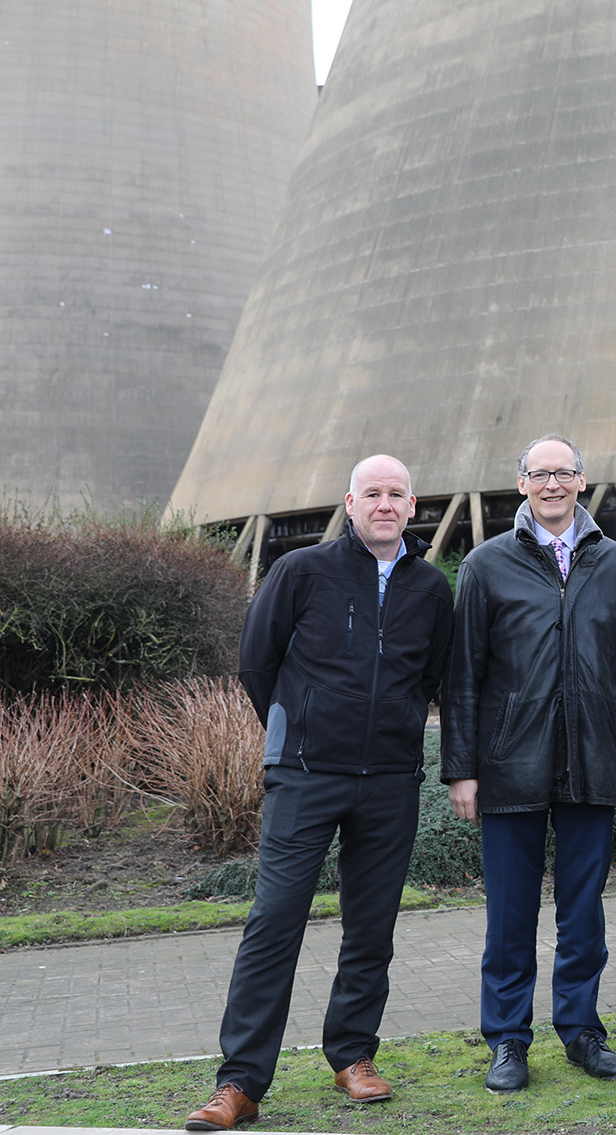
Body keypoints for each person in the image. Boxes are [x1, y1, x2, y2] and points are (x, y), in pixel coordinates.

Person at [186, 455, 455, 1130]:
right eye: (373, 493)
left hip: (390, 781)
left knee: (372, 926)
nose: (385, 504)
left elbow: (435, 676)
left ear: (413, 504)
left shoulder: (430, 587)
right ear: (350, 502)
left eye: (396, 494)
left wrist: (392, 731)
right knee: (274, 921)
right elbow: (257, 660)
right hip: (305, 777)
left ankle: (353, 1057)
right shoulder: (302, 571)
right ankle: (240, 1083)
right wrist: (300, 731)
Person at [442, 434, 616, 1094]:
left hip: (594, 762)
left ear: (582, 482)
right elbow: (464, 676)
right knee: (510, 916)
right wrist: (463, 769)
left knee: (582, 910)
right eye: (541, 474)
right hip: (510, 765)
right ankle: (508, 1041)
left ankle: (582, 1030)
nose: (553, 484)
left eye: (564, 473)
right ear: (523, 484)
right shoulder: (486, 565)